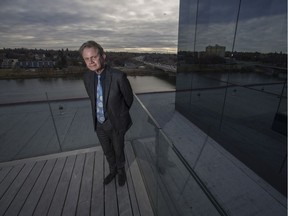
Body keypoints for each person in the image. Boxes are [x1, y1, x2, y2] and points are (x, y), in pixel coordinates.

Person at [79, 41, 134, 186]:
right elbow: (93, 98)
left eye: (94, 57)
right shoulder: (87, 77)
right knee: (107, 151)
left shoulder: (118, 76)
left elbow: (129, 99)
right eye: (86, 59)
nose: (90, 61)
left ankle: (121, 172)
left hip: (115, 123)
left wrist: (118, 116)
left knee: (118, 151)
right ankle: (113, 171)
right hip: (99, 124)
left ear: (103, 56)